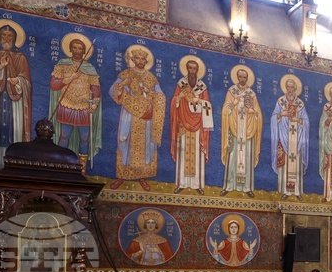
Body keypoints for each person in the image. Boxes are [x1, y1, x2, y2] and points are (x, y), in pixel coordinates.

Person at [109, 44, 165, 191]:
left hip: (146, 116)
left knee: (146, 145)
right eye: (137, 58)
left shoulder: (151, 78)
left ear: (146, 61)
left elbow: (160, 96)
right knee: (125, 141)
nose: (140, 61)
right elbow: (113, 91)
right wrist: (122, 85)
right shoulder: (125, 74)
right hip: (130, 113)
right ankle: (122, 176)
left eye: (142, 59)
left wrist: (151, 93)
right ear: (133, 59)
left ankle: (143, 176)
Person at [0, 21, 32, 173]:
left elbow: (27, 82)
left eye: (10, 36)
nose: (7, 38)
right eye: (4, 35)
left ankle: (14, 170)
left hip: (15, 104)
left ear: (15, 38)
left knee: (14, 134)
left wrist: (19, 81)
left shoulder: (20, 57)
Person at [49, 34, 101, 161]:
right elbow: (54, 85)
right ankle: (61, 163)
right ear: (70, 49)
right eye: (75, 48)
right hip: (67, 104)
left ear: (84, 51)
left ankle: (81, 167)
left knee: (84, 137)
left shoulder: (89, 68)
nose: (77, 51)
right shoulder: (62, 64)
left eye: (80, 48)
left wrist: (94, 104)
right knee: (64, 135)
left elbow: (95, 88)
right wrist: (68, 79)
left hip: (84, 107)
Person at [170, 56, 212, 195]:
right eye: (190, 68)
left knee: (197, 154)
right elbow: (174, 101)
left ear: (198, 70)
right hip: (183, 122)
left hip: (198, 124)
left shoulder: (202, 87)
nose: (192, 71)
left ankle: (198, 185)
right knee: (183, 152)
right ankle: (181, 184)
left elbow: (208, 104)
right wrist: (180, 97)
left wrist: (199, 101)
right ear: (187, 69)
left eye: (195, 68)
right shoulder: (181, 84)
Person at [220, 65, 262, 197]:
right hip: (234, 129)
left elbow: (258, 113)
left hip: (248, 131)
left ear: (247, 78)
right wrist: (234, 104)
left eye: (245, 77)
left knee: (247, 158)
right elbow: (225, 110)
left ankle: (248, 187)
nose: (243, 79)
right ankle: (229, 185)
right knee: (233, 157)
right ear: (237, 77)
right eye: (240, 77)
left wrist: (253, 112)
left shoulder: (251, 94)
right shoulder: (232, 91)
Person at [270, 74, 309, 198]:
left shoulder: (300, 104)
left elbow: (306, 121)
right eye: (288, 87)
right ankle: (285, 191)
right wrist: (282, 114)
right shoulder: (280, 102)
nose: (290, 89)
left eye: (292, 87)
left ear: (295, 89)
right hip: (283, 137)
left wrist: (299, 121)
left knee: (295, 163)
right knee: (285, 163)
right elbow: (273, 117)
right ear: (285, 88)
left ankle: (297, 191)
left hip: (297, 140)